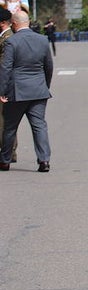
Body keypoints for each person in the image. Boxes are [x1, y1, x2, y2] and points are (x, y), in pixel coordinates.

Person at [0, 9, 53, 172]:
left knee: (10, 127)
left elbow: (6, 68)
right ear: (28, 22)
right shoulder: (43, 40)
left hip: (17, 91)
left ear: (14, 24)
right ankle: (44, 160)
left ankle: (5, 160)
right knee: (39, 126)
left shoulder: (12, 42)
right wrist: (45, 86)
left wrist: (2, 91)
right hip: (38, 90)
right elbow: (48, 66)